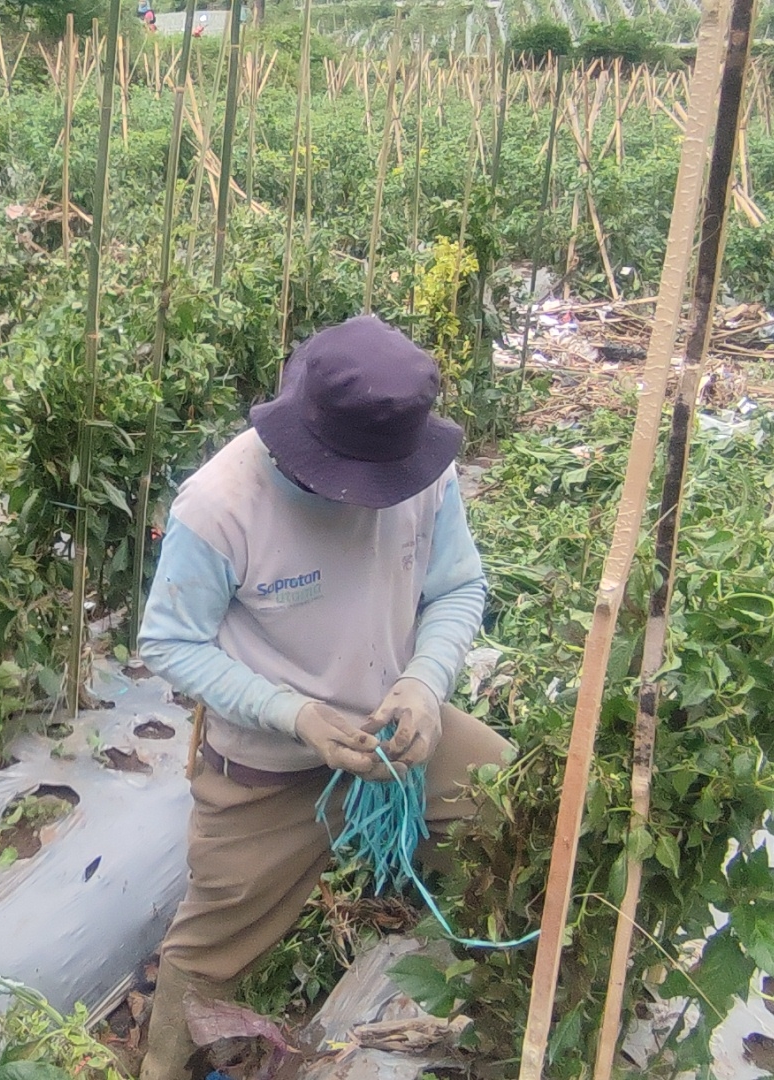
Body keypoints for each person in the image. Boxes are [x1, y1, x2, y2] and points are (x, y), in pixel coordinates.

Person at [135, 315, 514, 1080]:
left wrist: (422, 684)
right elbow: (170, 643)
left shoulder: (422, 473)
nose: (367, 503)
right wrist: (296, 715)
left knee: (511, 811)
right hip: (269, 770)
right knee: (210, 950)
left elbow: (457, 586)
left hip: (398, 739)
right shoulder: (219, 506)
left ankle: (495, 1001)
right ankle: (162, 1066)